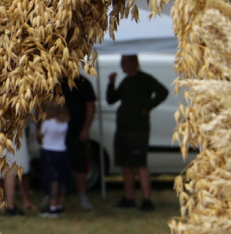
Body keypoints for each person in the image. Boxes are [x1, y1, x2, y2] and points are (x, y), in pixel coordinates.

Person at [106, 54, 168, 211]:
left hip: (138, 130)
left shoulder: (145, 79)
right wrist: (111, 84)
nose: (122, 66)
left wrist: (148, 106)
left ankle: (147, 199)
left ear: (134, 63)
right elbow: (112, 99)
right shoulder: (126, 81)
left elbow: (163, 92)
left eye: (124, 63)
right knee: (125, 165)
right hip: (122, 128)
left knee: (140, 164)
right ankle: (129, 197)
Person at [60, 73, 96, 211]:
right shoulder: (52, 82)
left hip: (77, 131)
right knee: (55, 165)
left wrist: (86, 128)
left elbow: (90, 105)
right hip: (55, 134)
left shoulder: (82, 82)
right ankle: (53, 195)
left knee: (79, 163)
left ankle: (82, 195)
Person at [38, 103, 70, 218]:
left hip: (49, 151)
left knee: (52, 179)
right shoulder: (64, 123)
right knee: (62, 178)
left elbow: (40, 136)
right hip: (62, 151)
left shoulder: (47, 123)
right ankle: (60, 203)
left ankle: (52, 205)